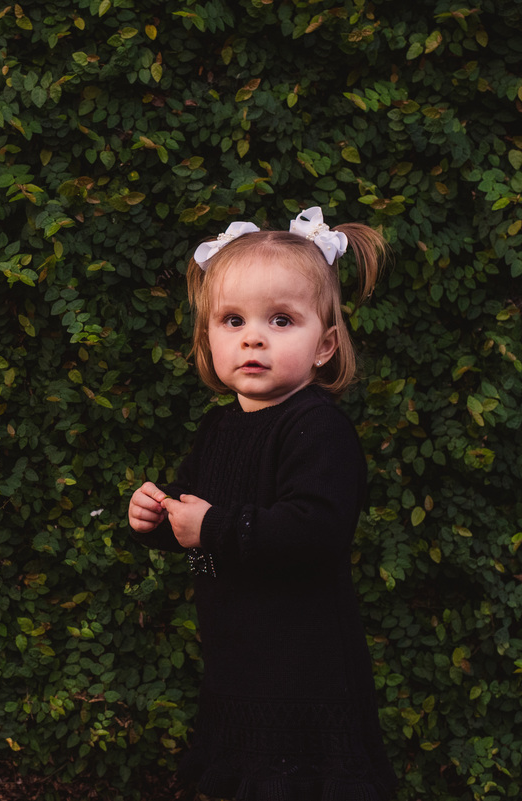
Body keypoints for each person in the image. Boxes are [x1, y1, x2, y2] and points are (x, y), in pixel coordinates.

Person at [127, 207, 397, 800]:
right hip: (238, 660)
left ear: (324, 345)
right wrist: (156, 520)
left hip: (305, 670)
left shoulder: (318, 430)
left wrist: (212, 526)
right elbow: (198, 534)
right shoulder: (218, 431)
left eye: (281, 320)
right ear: (208, 338)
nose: (253, 337)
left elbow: (314, 531)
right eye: (232, 320)